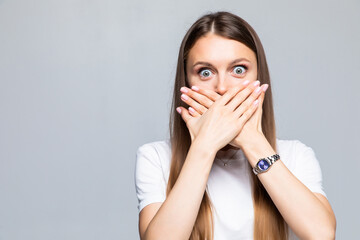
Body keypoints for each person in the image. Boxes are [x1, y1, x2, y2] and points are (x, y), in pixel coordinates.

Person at [134, 11, 336, 240]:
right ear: (187, 82)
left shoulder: (295, 155)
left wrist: (253, 141)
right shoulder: (156, 157)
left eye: (238, 70)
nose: (222, 87)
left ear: (259, 76)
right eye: (205, 72)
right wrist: (205, 146)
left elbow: (321, 235)